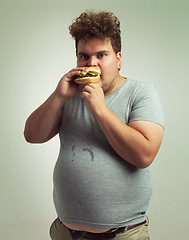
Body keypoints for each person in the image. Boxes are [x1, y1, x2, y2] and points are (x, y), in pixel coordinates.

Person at [24, 11, 164, 240]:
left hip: (122, 234)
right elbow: (32, 135)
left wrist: (100, 110)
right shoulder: (69, 94)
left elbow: (144, 155)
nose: (92, 64)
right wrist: (58, 96)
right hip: (65, 232)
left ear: (118, 59)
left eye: (101, 55)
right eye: (84, 56)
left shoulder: (141, 93)